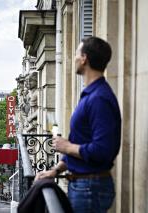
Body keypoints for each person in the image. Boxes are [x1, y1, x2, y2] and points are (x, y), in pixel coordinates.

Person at [34, 36, 121, 213]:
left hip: (90, 188)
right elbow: (82, 143)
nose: (73, 58)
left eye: (76, 53)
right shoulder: (92, 95)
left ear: (84, 59)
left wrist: (66, 147)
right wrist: (56, 170)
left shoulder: (99, 99)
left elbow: (102, 150)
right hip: (85, 185)